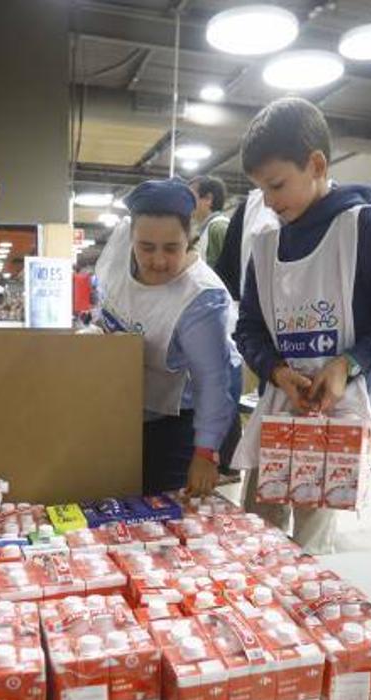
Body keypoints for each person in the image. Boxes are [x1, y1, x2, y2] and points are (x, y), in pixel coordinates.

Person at [232, 98, 371, 552]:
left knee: (311, 545)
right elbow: (248, 330)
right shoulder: (265, 246)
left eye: (277, 185)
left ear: (316, 164)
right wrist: (278, 371)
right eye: (261, 189)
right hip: (280, 409)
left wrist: (347, 364)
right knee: (255, 533)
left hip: (333, 419)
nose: (269, 201)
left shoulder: (362, 227)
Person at [94, 179, 237, 497]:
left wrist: (205, 454)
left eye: (172, 248)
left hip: (172, 420)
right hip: (118, 408)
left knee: (160, 516)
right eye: (146, 247)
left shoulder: (201, 298)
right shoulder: (120, 250)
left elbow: (213, 383)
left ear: (189, 239)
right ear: (130, 236)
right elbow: (101, 306)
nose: (158, 261)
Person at [189, 175, 231, 268]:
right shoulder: (206, 230)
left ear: (208, 199)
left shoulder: (219, 227)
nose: (187, 202)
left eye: (191, 197)